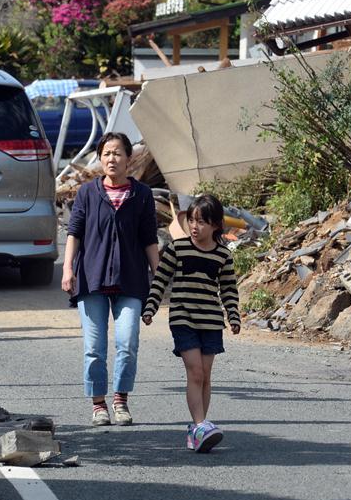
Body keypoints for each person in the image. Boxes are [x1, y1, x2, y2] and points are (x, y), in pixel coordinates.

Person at [62, 133, 159, 426]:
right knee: (94, 348)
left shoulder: (142, 194)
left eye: (117, 153)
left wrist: (160, 275)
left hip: (131, 279)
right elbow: (74, 233)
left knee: (127, 342)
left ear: (129, 158)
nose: (112, 159)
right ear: (100, 158)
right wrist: (68, 269)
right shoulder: (87, 193)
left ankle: (120, 400)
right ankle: (98, 404)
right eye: (106, 153)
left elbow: (149, 239)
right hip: (92, 279)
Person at [141, 193, 241, 453]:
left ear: (216, 225)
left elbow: (229, 289)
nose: (195, 227)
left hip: (210, 321)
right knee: (195, 372)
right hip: (183, 318)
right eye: (192, 221)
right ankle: (200, 425)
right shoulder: (178, 248)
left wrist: (233, 315)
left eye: (202, 222)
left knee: (205, 376)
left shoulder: (223, 256)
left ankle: (198, 430)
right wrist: (150, 307)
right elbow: (161, 279)